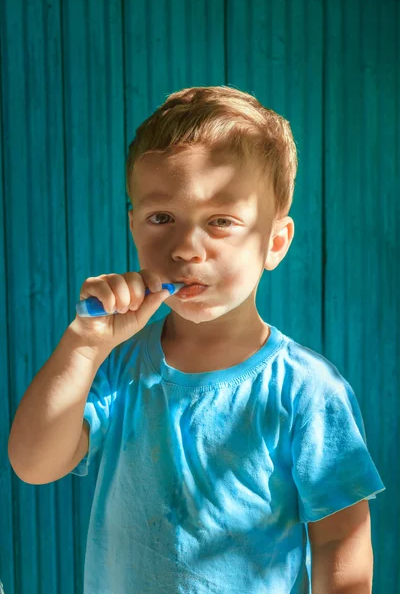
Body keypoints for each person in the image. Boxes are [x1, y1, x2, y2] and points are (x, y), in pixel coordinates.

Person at [8, 86, 385, 593]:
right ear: (134, 226)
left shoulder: (308, 391)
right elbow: (33, 465)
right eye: (161, 218)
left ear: (274, 243)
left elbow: (342, 544)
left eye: (221, 222)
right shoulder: (119, 367)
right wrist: (84, 344)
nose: (186, 248)